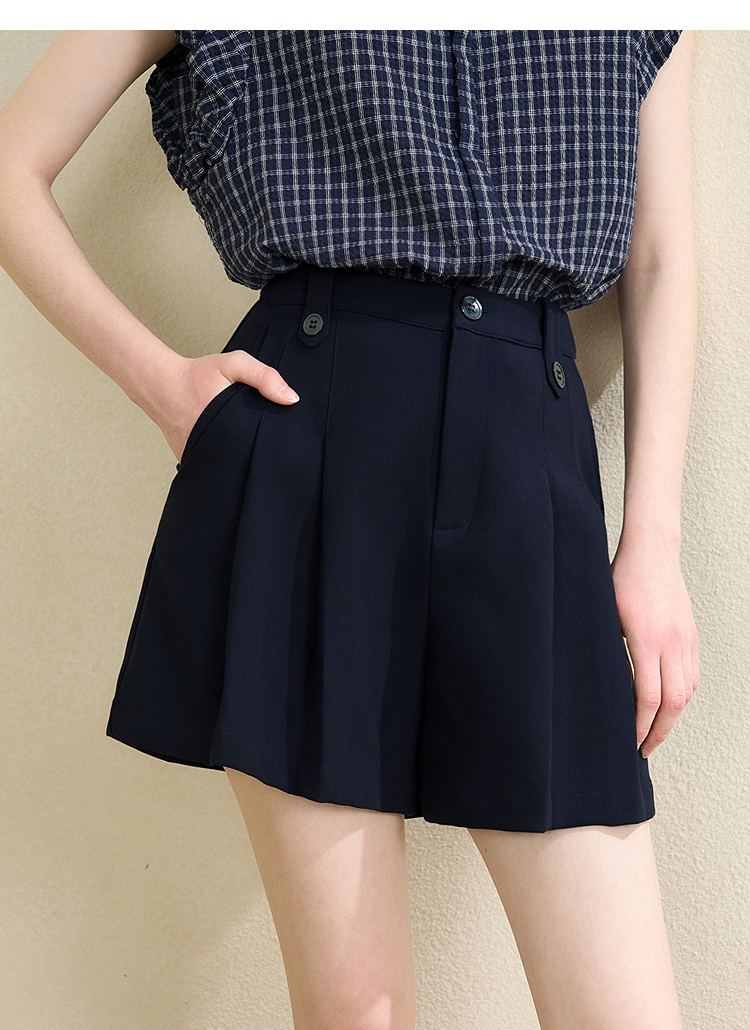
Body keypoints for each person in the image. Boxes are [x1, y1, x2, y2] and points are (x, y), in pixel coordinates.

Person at [0, 29, 699, 1030]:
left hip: (533, 472)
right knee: (355, 1013)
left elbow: (662, 256)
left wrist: (655, 547)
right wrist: (164, 386)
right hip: (313, 455)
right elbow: (11, 165)